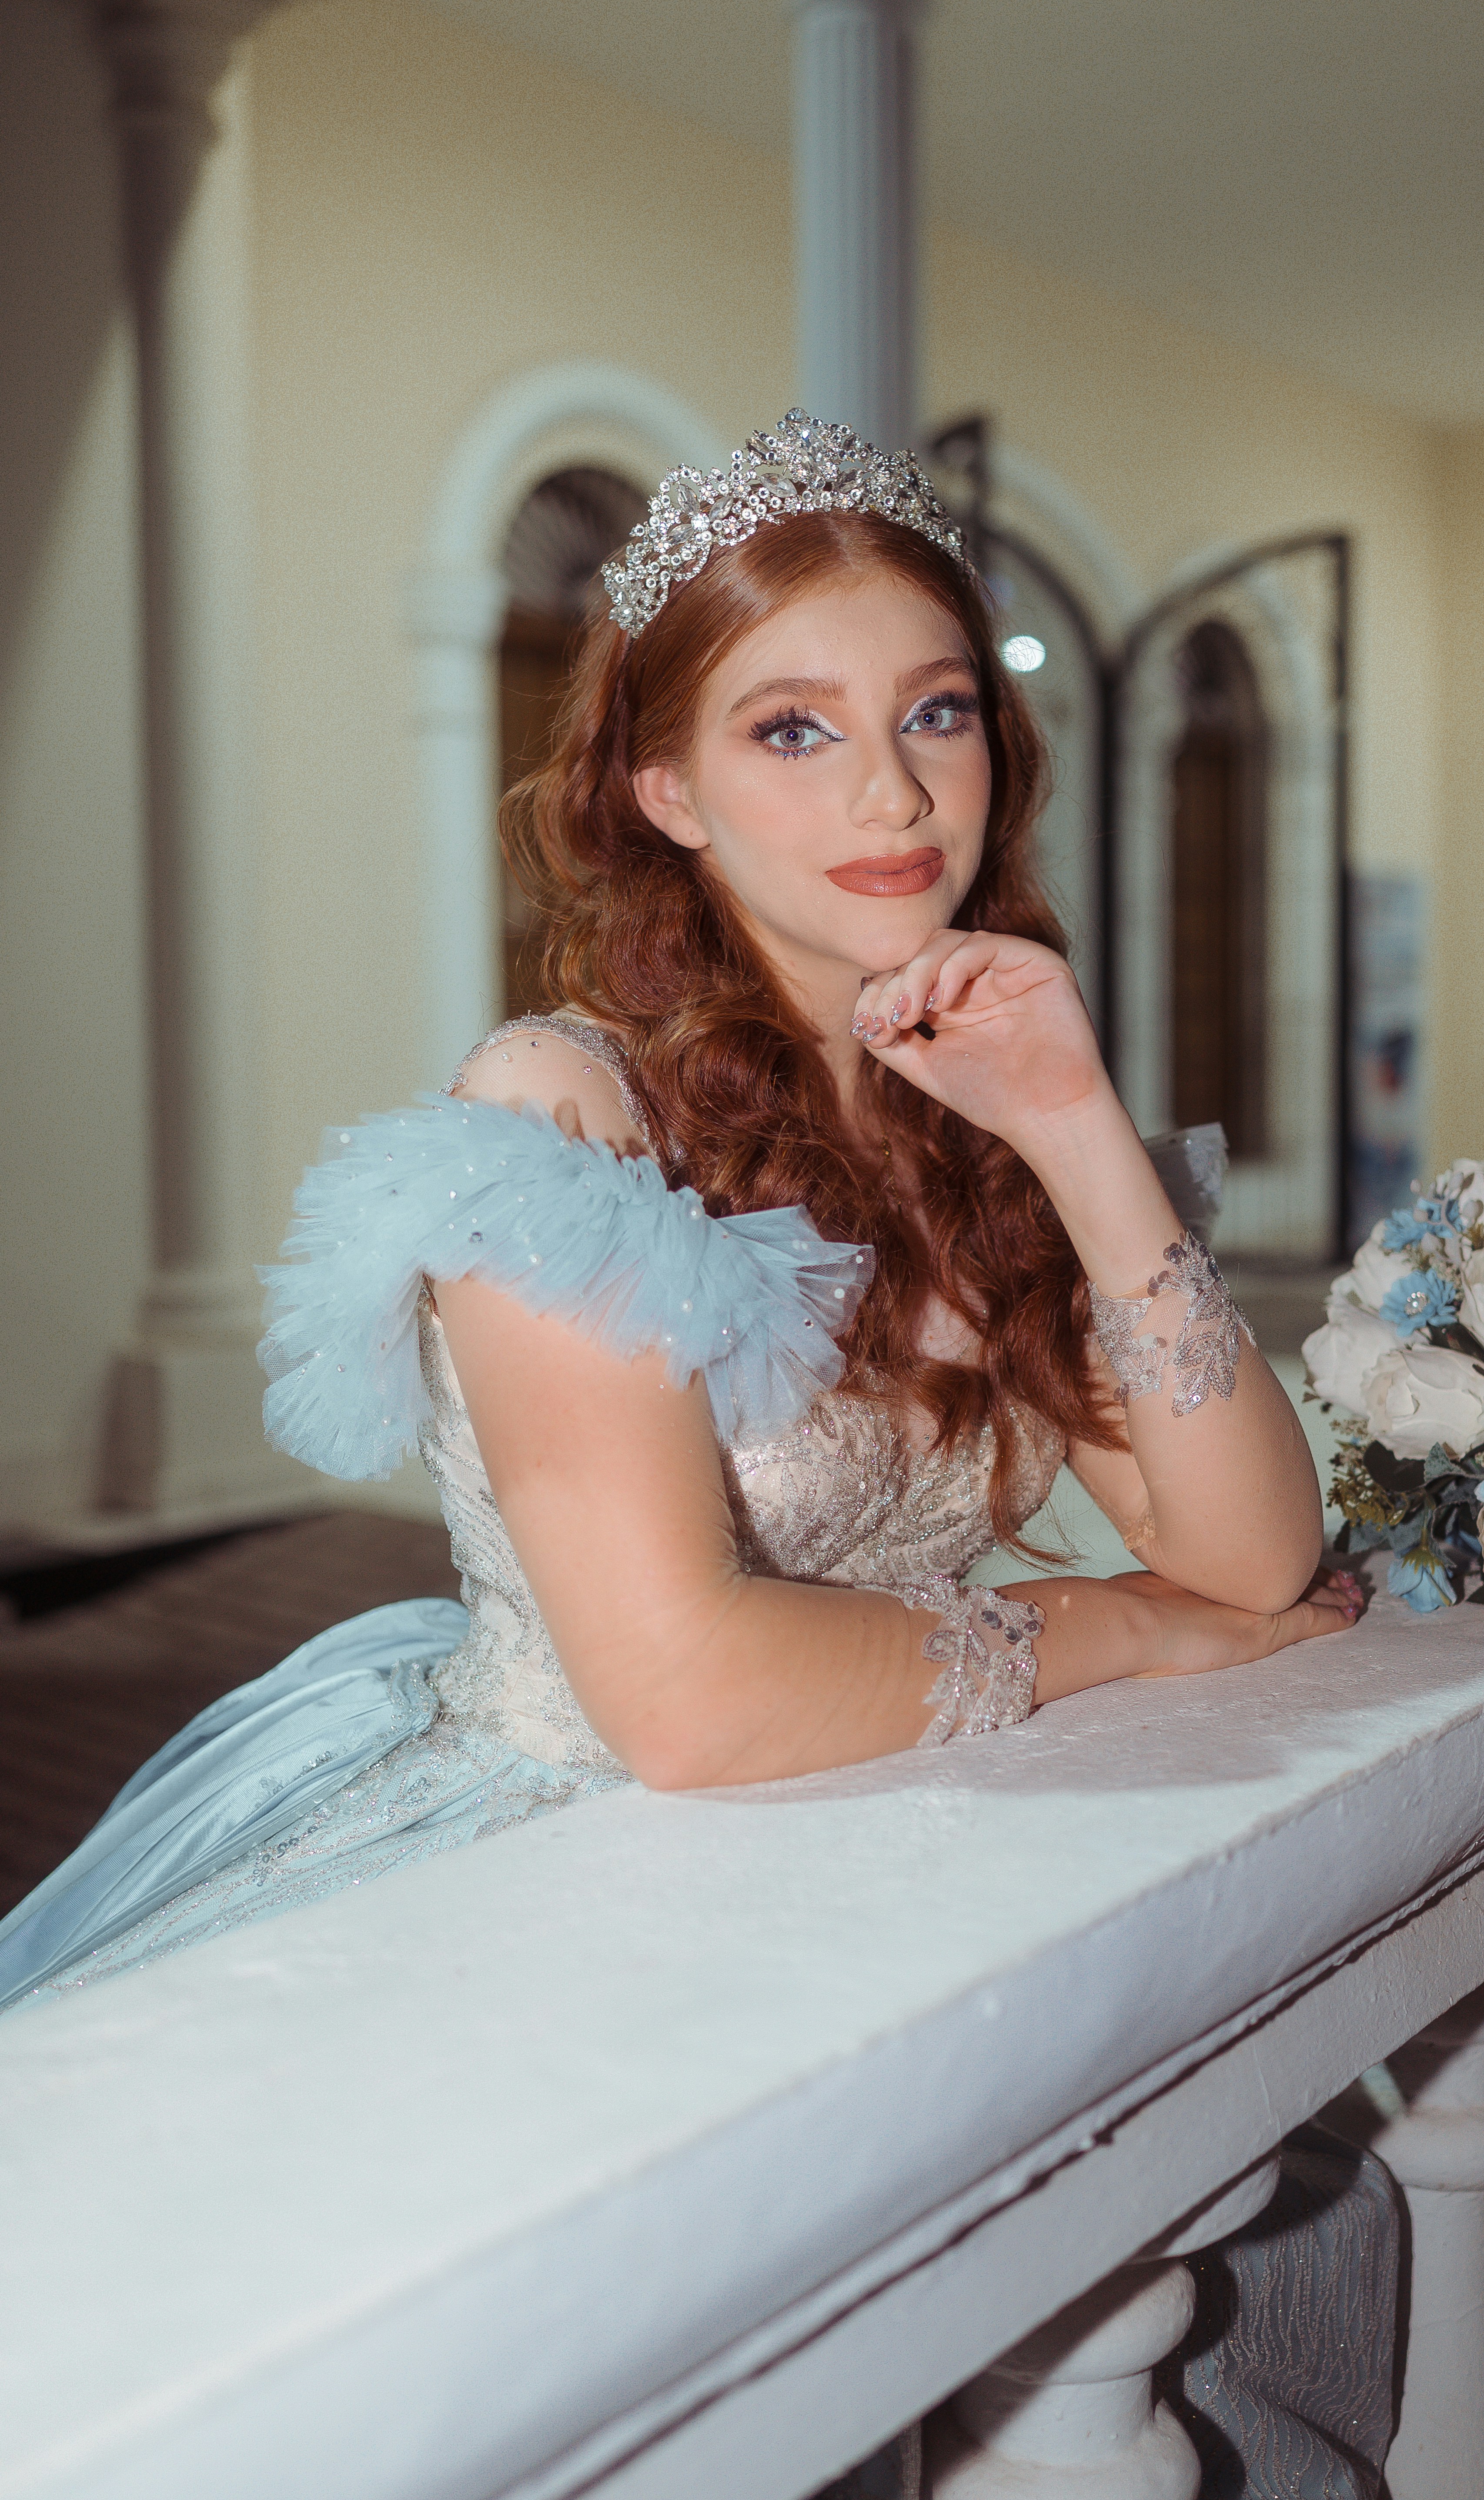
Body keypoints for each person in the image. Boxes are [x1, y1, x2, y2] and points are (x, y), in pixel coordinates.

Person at [0, 414, 1390, 2492]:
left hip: (883, 1823)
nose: (891, 793)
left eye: (935, 712)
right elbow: (684, 1696)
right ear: (663, 789)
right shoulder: (561, 1112)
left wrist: (1075, 1128)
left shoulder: (980, 1112)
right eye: (790, 729)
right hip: (557, 1864)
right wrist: (1121, 1624)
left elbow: (1259, 1558)